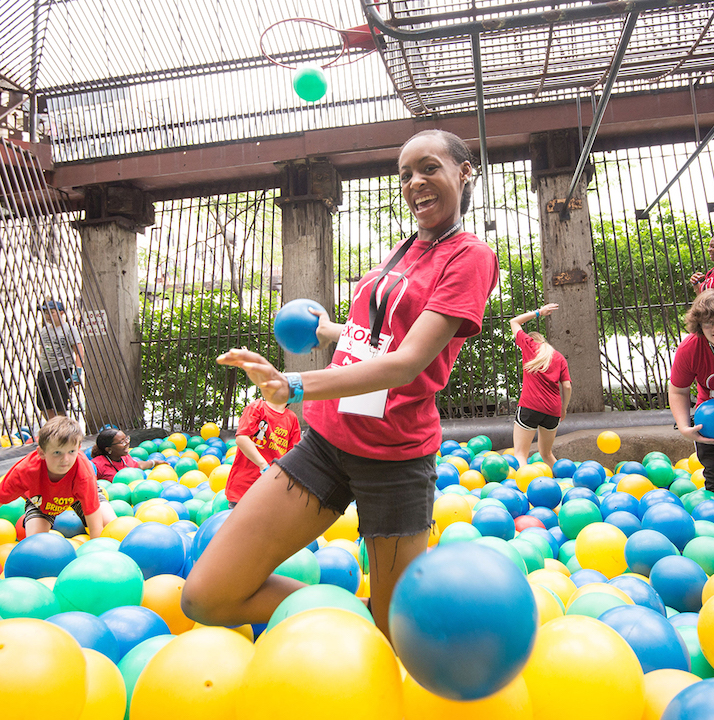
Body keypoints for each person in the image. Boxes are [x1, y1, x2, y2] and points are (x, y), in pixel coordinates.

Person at [181, 129, 499, 639]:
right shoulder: (405, 249)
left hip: (395, 462)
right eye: (406, 174)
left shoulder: (470, 256)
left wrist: (294, 384)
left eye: (429, 168)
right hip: (325, 446)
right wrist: (329, 329)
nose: (415, 182)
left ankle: (376, 619)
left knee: (398, 632)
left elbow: (406, 363)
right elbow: (376, 333)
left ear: (464, 172)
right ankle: (352, 615)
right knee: (206, 595)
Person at [0, 416, 111, 538]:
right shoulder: (26, 470)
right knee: (35, 542)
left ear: (79, 449)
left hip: (77, 496)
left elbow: (93, 517)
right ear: (42, 453)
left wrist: (96, 548)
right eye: (57, 453)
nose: (65, 459)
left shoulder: (83, 473)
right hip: (41, 500)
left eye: (71, 452)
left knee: (110, 527)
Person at [669, 289, 714, 498]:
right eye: (709, 322)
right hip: (711, 422)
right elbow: (678, 390)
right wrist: (683, 427)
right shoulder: (690, 348)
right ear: (699, 324)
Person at [510, 303, 572, 468]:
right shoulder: (559, 357)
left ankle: (524, 488)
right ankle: (565, 482)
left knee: (520, 454)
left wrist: (539, 312)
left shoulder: (529, 346)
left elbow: (514, 322)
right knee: (546, 454)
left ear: (531, 339)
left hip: (530, 406)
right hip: (553, 410)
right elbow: (567, 386)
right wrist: (563, 408)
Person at [225, 398, 301, 509]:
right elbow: (242, 438)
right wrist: (264, 466)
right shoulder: (257, 407)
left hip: (272, 492)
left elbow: (293, 455)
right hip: (244, 489)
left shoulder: (292, 418)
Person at [36, 299, 84, 420]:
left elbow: (78, 351)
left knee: (60, 405)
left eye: (51, 312)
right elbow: (42, 349)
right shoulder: (44, 330)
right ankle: (53, 428)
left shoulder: (69, 329)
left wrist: (77, 373)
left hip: (61, 369)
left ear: (61, 312)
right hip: (45, 370)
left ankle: (61, 431)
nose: (47, 316)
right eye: (45, 313)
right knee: (42, 404)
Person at [91, 428, 166, 482]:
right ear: (108, 449)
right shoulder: (97, 465)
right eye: (122, 442)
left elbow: (138, 465)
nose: (127, 443)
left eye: (126, 439)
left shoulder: (124, 458)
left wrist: (155, 462)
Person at [690, 230, 714, 295]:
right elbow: (703, 299)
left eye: (713, 246)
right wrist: (695, 284)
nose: (708, 249)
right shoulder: (711, 272)